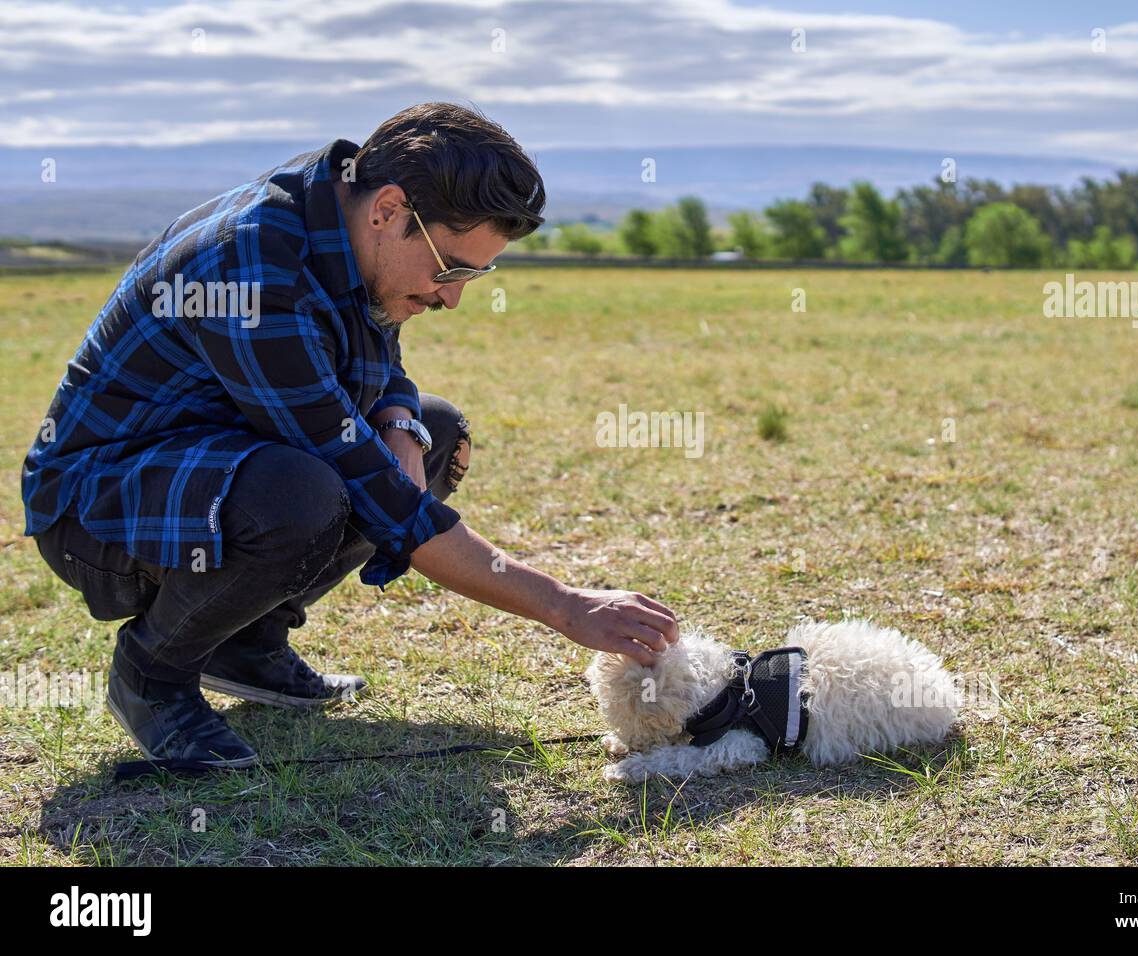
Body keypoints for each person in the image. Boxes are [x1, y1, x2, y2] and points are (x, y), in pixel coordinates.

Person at [20, 102, 679, 769]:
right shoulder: (250, 271)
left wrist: (400, 424)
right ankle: (151, 675)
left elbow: (379, 361)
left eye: (474, 275)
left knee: (436, 429)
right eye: (451, 268)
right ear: (389, 209)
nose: (452, 298)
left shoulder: (341, 214)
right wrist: (566, 607)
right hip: (95, 510)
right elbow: (371, 488)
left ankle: (245, 645)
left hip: (213, 472)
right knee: (298, 495)